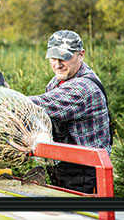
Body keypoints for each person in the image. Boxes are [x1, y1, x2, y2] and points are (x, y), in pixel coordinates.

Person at [28, 30, 111, 194]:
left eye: (64, 57)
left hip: (84, 174)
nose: (57, 64)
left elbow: (40, 105)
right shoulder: (57, 81)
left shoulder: (83, 88)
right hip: (64, 167)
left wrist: (1, 98)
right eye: (53, 58)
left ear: (81, 55)